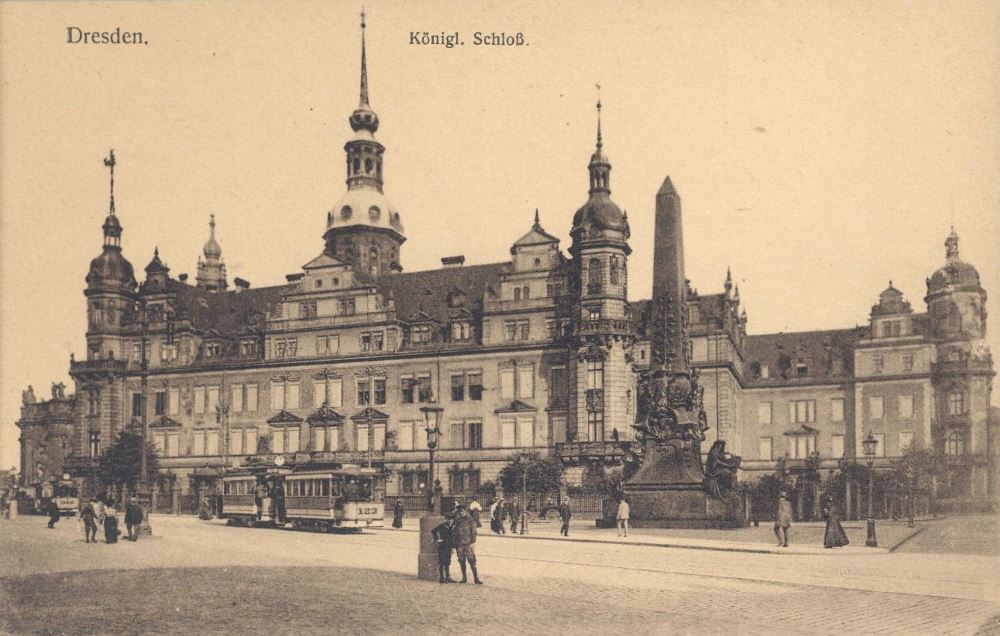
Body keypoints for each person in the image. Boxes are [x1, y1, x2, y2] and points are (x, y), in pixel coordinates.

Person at [452, 504, 483, 584]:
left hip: (468, 543)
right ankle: (464, 578)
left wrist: (473, 542)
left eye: (462, 511)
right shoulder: (457, 520)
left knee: (472, 560)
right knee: (461, 561)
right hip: (459, 544)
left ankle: (476, 578)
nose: (461, 513)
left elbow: (474, 531)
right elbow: (454, 532)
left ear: (465, 511)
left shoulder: (470, 519)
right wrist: (454, 544)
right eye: (459, 511)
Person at [431, 513, 456, 583]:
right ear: (446, 519)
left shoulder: (453, 526)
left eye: (451, 519)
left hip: (449, 546)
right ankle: (441, 578)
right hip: (442, 546)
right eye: (448, 519)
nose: (450, 521)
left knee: (448, 561)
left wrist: (453, 547)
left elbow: (453, 538)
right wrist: (437, 539)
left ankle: (448, 576)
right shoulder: (442, 525)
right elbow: (433, 531)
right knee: (441, 561)